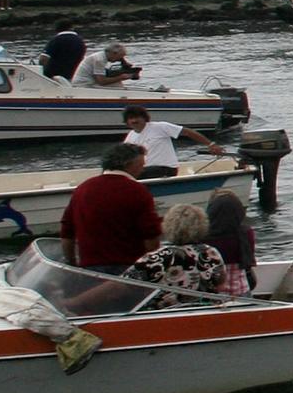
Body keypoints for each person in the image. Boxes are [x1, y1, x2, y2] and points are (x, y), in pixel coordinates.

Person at [61, 142, 163, 273]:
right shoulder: (137, 190)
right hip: (128, 267)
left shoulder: (83, 188)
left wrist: (71, 262)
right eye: (141, 165)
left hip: (90, 267)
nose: (143, 169)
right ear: (128, 165)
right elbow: (151, 235)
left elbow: (67, 231)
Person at [128, 203, 229, 304]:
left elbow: (126, 283)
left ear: (168, 226)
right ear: (202, 226)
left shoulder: (155, 258)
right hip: (205, 312)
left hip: (164, 315)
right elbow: (221, 285)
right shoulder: (211, 253)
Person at [121, 105, 220, 179]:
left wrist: (211, 144)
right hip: (145, 170)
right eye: (130, 118)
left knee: (135, 176)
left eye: (137, 117)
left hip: (166, 169)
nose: (134, 120)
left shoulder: (160, 127)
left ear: (144, 118)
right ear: (127, 121)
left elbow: (187, 132)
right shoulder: (130, 136)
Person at [205, 190, 258, 297]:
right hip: (241, 290)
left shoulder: (203, 237)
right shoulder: (246, 233)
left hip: (213, 295)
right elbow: (248, 262)